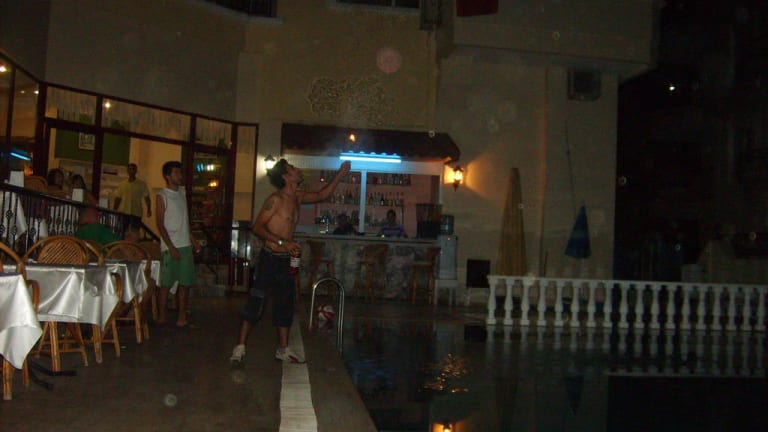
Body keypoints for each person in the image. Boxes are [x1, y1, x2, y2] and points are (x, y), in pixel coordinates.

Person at [230, 159, 351, 364]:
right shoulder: (276, 199)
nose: (297, 170)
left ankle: (283, 349)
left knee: (286, 303)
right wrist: (282, 242)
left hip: (286, 260)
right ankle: (239, 347)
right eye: (293, 168)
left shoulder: (297, 197)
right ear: (286, 176)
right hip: (270, 258)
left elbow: (322, 195)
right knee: (256, 301)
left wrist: (341, 173)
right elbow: (257, 227)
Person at [155, 161, 201, 328]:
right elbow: (160, 224)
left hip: (185, 245)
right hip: (171, 246)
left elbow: (185, 222)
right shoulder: (162, 196)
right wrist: (171, 247)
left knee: (185, 283)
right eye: (176, 173)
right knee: (166, 285)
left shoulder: (182, 193)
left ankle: (182, 317)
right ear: (167, 176)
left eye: (180, 172)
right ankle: (161, 316)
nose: (179, 176)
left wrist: (193, 241)